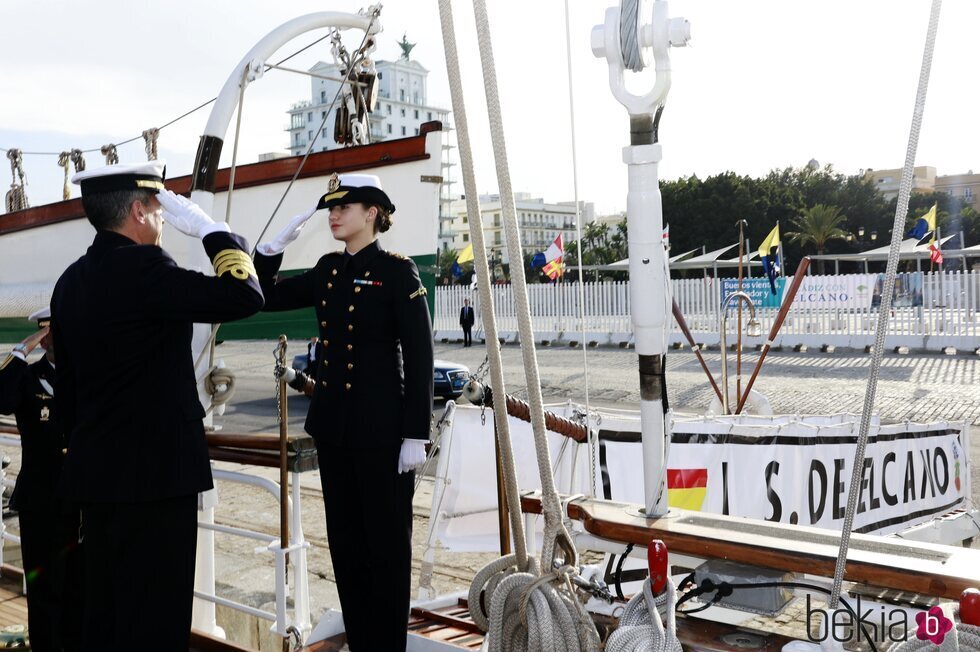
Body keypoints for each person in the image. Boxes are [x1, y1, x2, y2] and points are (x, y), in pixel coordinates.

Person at [50, 161, 264, 650]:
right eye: (160, 209)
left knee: (106, 612)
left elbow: (69, 394)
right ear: (138, 211)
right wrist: (215, 233)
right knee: (156, 620)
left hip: (97, 479)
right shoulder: (147, 269)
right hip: (157, 480)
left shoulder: (70, 282)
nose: (166, 219)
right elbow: (244, 295)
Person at [254, 173, 433, 650]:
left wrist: (416, 432)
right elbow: (263, 295)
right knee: (348, 547)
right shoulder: (328, 268)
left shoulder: (398, 271)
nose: (333, 215)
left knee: (387, 551)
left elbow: (420, 355)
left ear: (372, 213)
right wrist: (271, 250)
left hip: (383, 435)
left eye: (344, 207)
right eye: (330, 208)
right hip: (334, 431)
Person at [0, 307, 82, 651]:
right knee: (43, 586)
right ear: (43, 336)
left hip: (80, 500)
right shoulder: (27, 378)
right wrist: (21, 350)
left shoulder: (85, 374)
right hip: (39, 501)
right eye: (50, 333)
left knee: (79, 585)